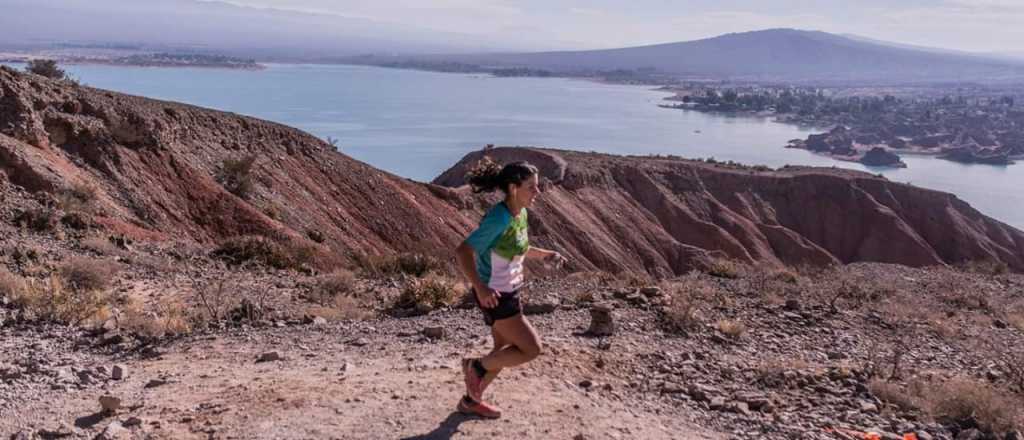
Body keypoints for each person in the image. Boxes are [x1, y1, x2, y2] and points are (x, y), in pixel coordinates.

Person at [453, 157, 567, 419]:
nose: (537, 192)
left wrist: (544, 255)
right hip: (495, 294)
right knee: (531, 348)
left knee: (502, 351)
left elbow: (519, 247)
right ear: (514, 188)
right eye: (532, 187)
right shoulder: (499, 218)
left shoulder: (520, 213)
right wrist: (480, 288)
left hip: (509, 290)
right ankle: (475, 366)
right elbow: (463, 251)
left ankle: (471, 401)